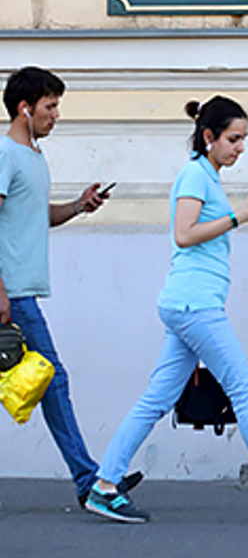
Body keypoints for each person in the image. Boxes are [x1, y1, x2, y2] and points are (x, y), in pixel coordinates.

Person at [85, 96, 248, 523]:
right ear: (209, 137)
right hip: (194, 305)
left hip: (188, 304)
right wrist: (240, 217)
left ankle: (105, 485)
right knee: (245, 389)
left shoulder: (207, 176)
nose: (241, 148)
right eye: (234, 139)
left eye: (244, 140)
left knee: (156, 399)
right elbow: (184, 234)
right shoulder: (194, 175)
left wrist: (243, 213)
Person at [0, 66, 141, 509]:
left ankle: (88, 480)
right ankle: (88, 482)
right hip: (13, 294)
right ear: (25, 108)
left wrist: (79, 206)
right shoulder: (5, 153)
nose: (56, 114)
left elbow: (37, 216)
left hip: (21, 290)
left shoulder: (32, 157)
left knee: (41, 383)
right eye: (50, 105)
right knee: (53, 381)